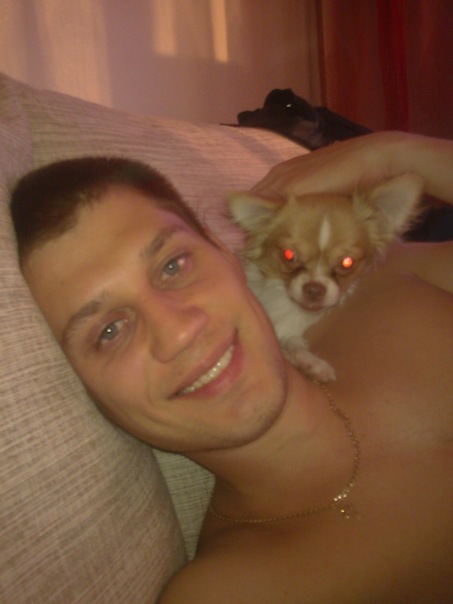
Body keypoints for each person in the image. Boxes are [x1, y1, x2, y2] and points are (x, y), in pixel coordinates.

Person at [10, 132, 453, 601]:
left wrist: (393, 153)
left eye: (173, 265)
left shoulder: (400, 283)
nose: (179, 332)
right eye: (109, 330)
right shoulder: (230, 589)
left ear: (230, 255)